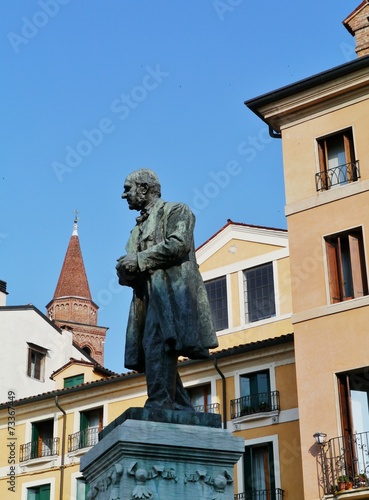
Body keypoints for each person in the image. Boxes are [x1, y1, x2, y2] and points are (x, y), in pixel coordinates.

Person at [116, 168, 218, 410]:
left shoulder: (176, 210)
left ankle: (160, 402)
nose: (124, 195)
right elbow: (135, 262)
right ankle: (181, 403)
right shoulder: (137, 228)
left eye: (127, 189)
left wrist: (139, 260)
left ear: (143, 188)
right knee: (155, 346)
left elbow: (179, 244)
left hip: (172, 293)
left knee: (156, 343)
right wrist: (126, 270)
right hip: (148, 296)